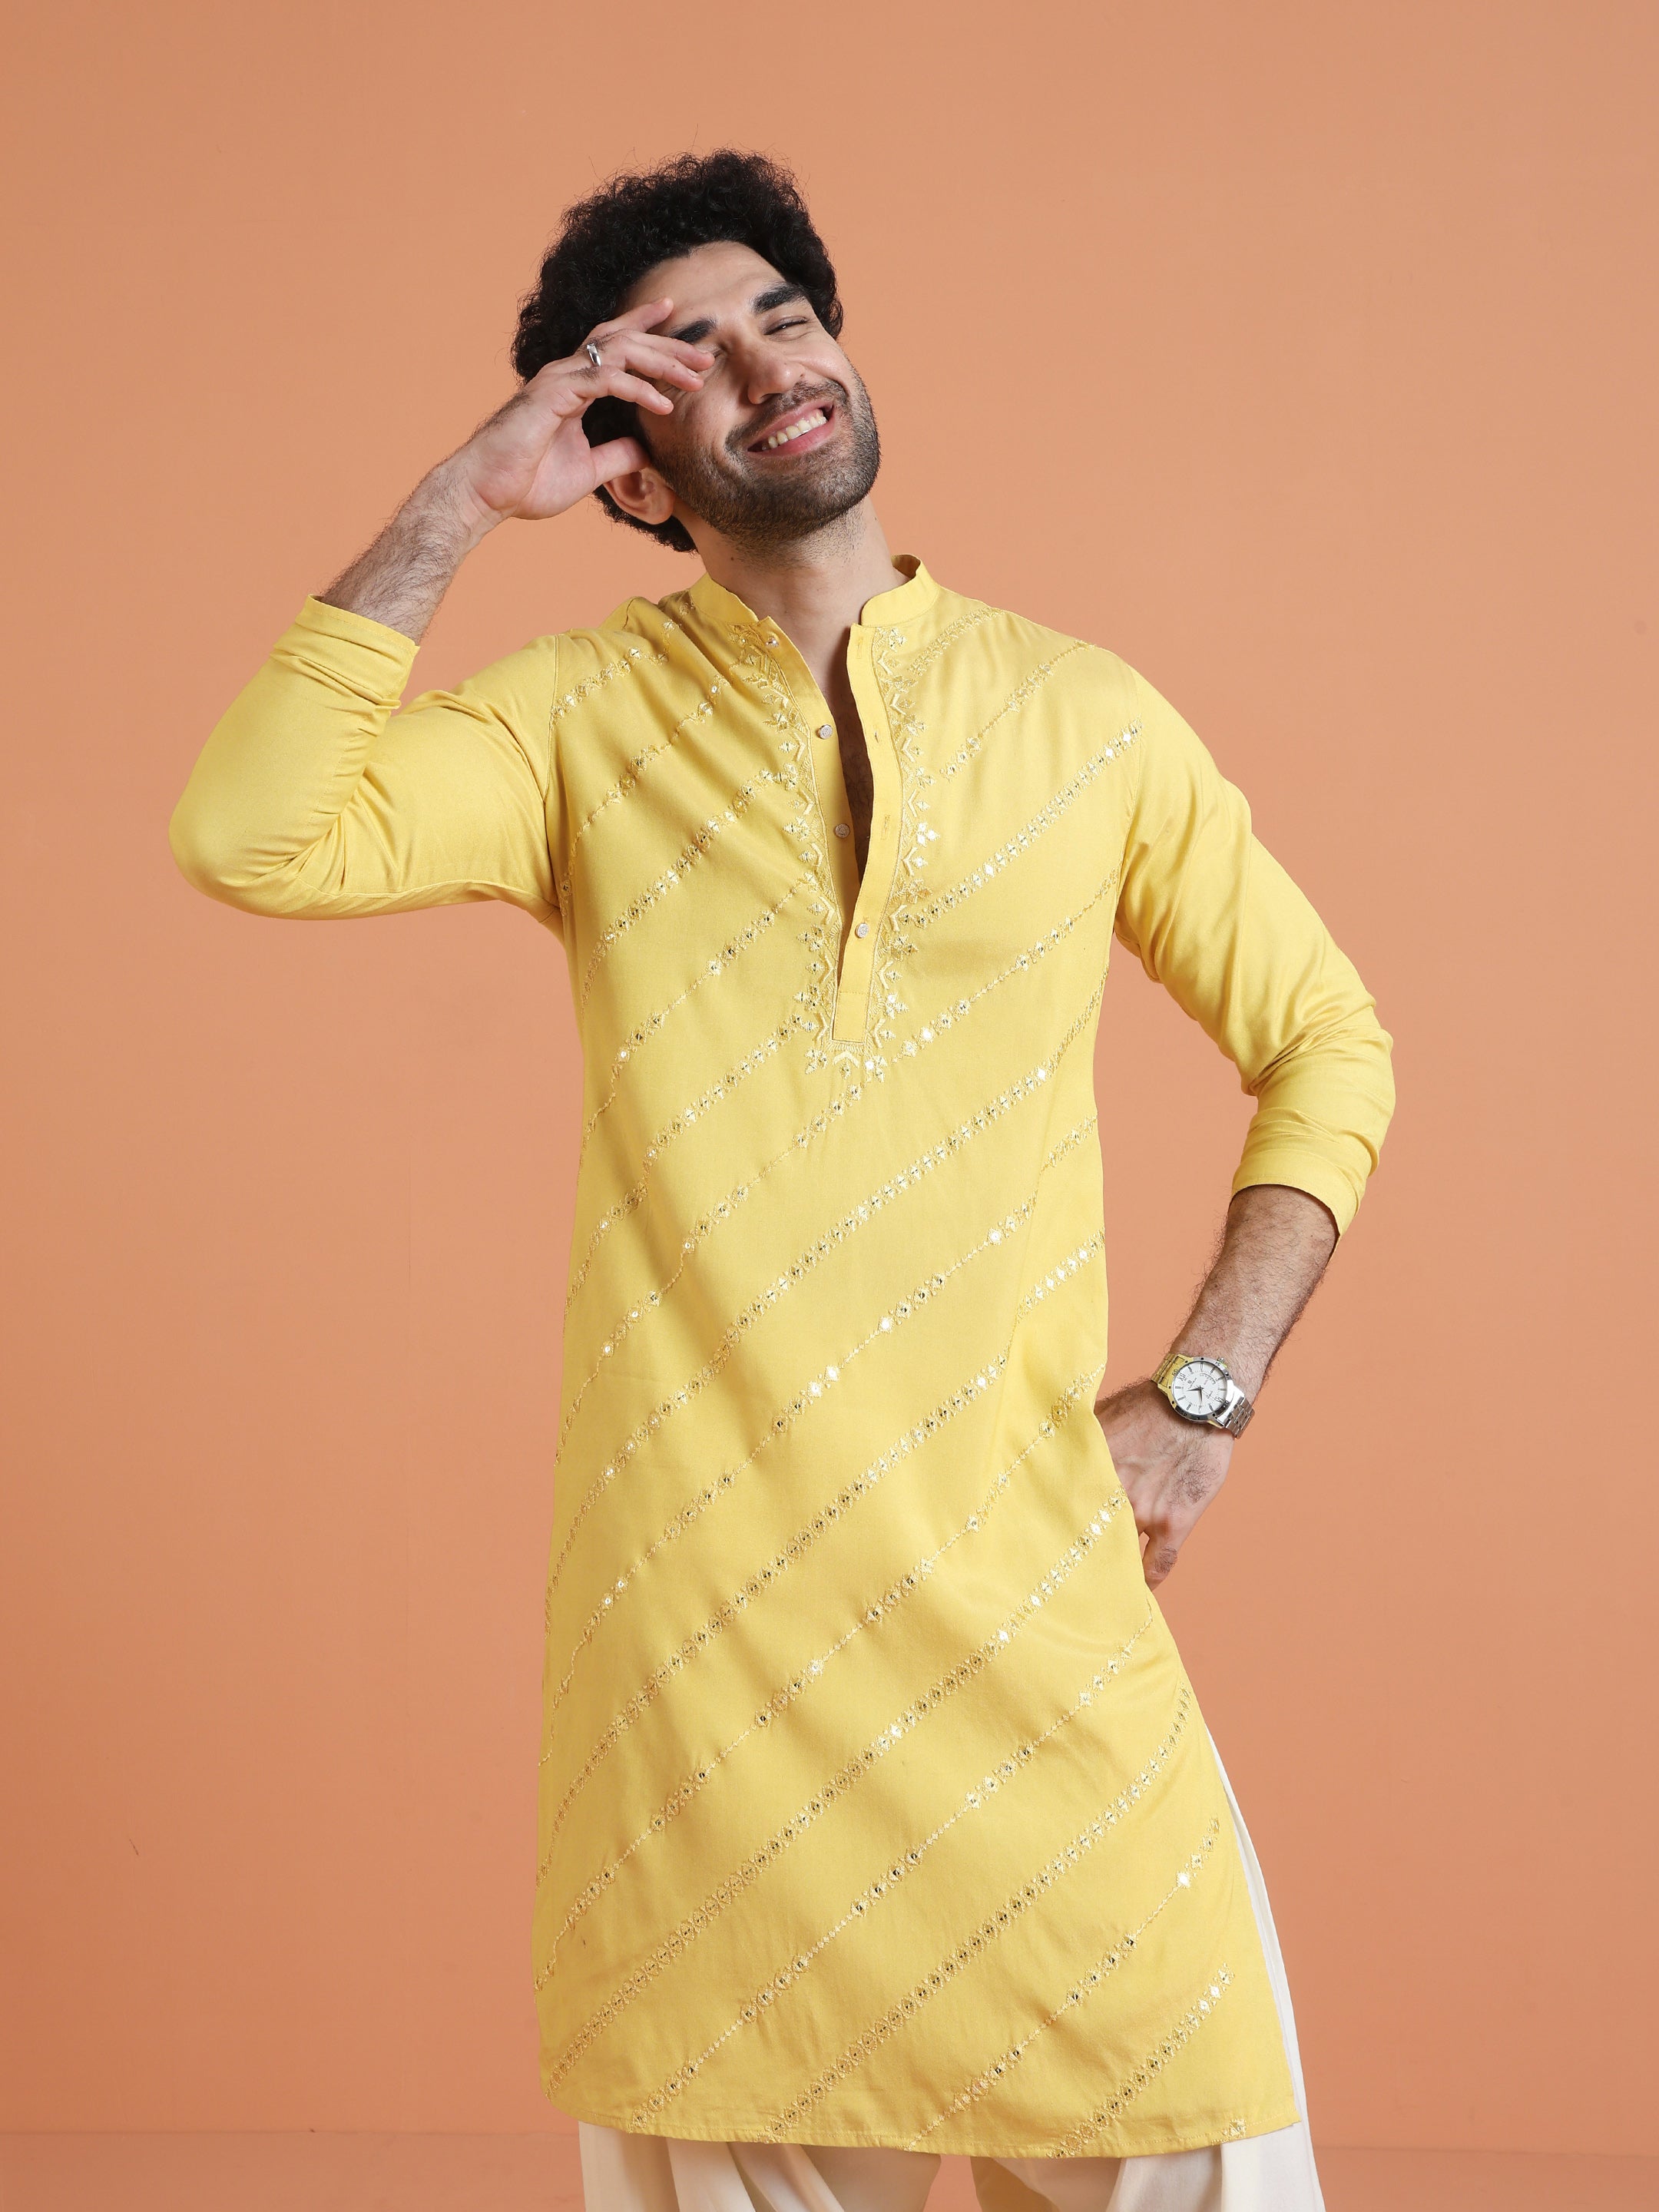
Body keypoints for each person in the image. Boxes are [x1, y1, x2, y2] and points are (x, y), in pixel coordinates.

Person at [168, 150, 1394, 2212]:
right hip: (711, 1668)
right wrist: (461, 499)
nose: (765, 367)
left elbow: (1330, 1044)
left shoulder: (1080, 717)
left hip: (1033, 1609)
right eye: (690, 359)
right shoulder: (577, 724)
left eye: (785, 318)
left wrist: (1204, 1401)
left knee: (1183, 2118)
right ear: (632, 468)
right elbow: (251, 835)